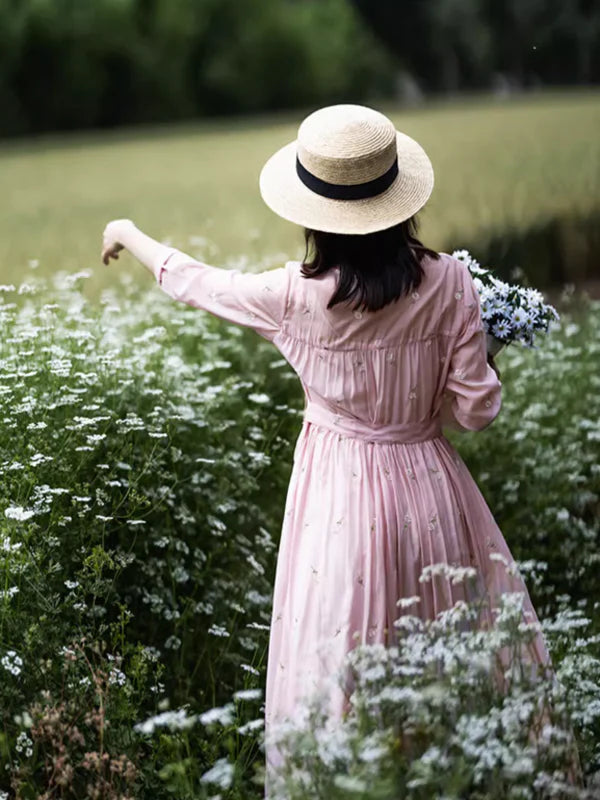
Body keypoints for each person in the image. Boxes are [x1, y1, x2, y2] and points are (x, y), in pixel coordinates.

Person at [101, 104, 576, 793]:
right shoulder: (451, 283)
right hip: (433, 492)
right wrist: (471, 366)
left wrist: (127, 231)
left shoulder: (293, 297)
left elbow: (194, 281)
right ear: (399, 202)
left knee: (341, 653)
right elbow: (476, 412)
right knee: (451, 652)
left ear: (316, 214)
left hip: (338, 500)